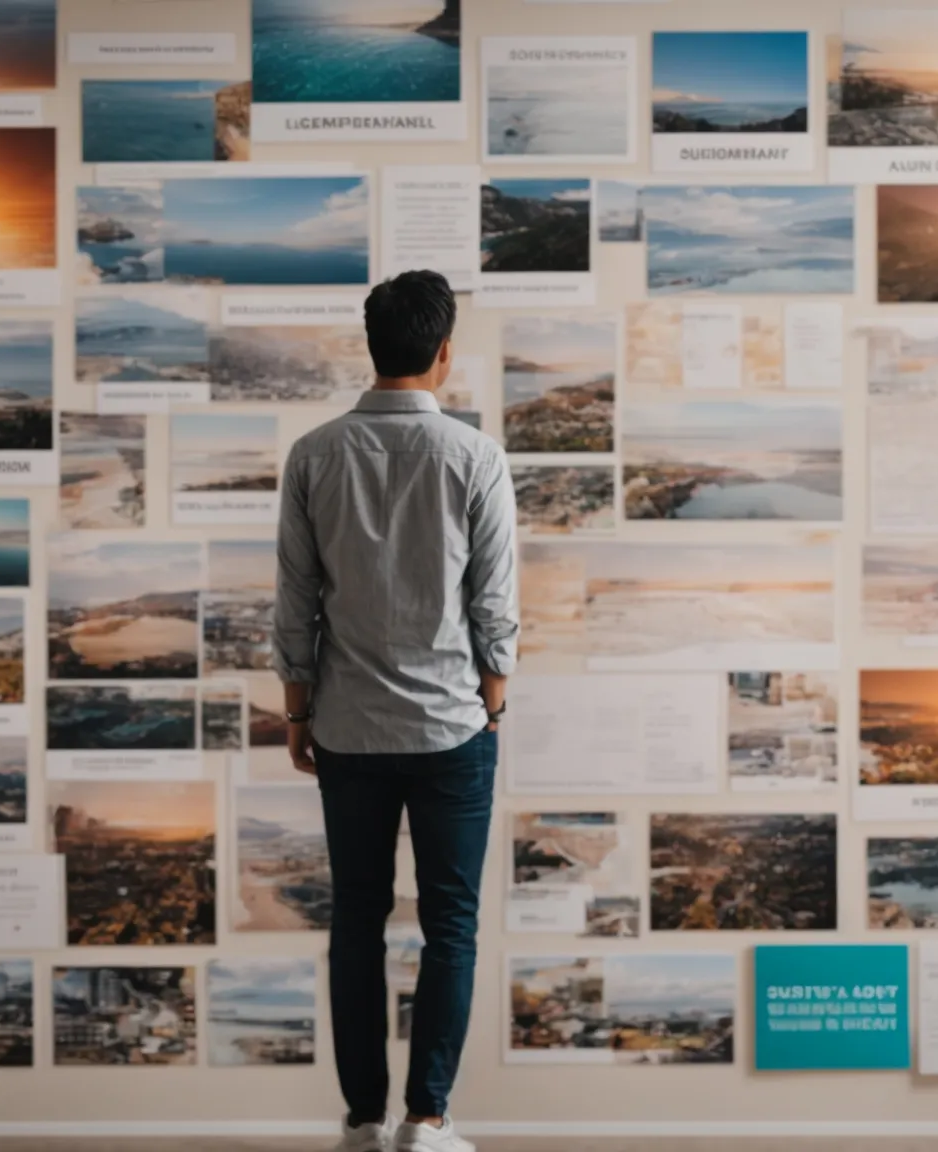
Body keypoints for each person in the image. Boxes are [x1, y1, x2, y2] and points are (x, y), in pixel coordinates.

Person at [274, 270, 517, 1152]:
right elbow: (493, 601)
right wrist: (493, 699)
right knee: (450, 924)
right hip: (453, 728)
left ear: (370, 346)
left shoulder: (312, 454)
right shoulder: (476, 456)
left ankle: (363, 1119)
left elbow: (296, 599)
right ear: (444, 352)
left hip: (346, 727)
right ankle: (428, 1117)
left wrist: (298, 714)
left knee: (356, 922)